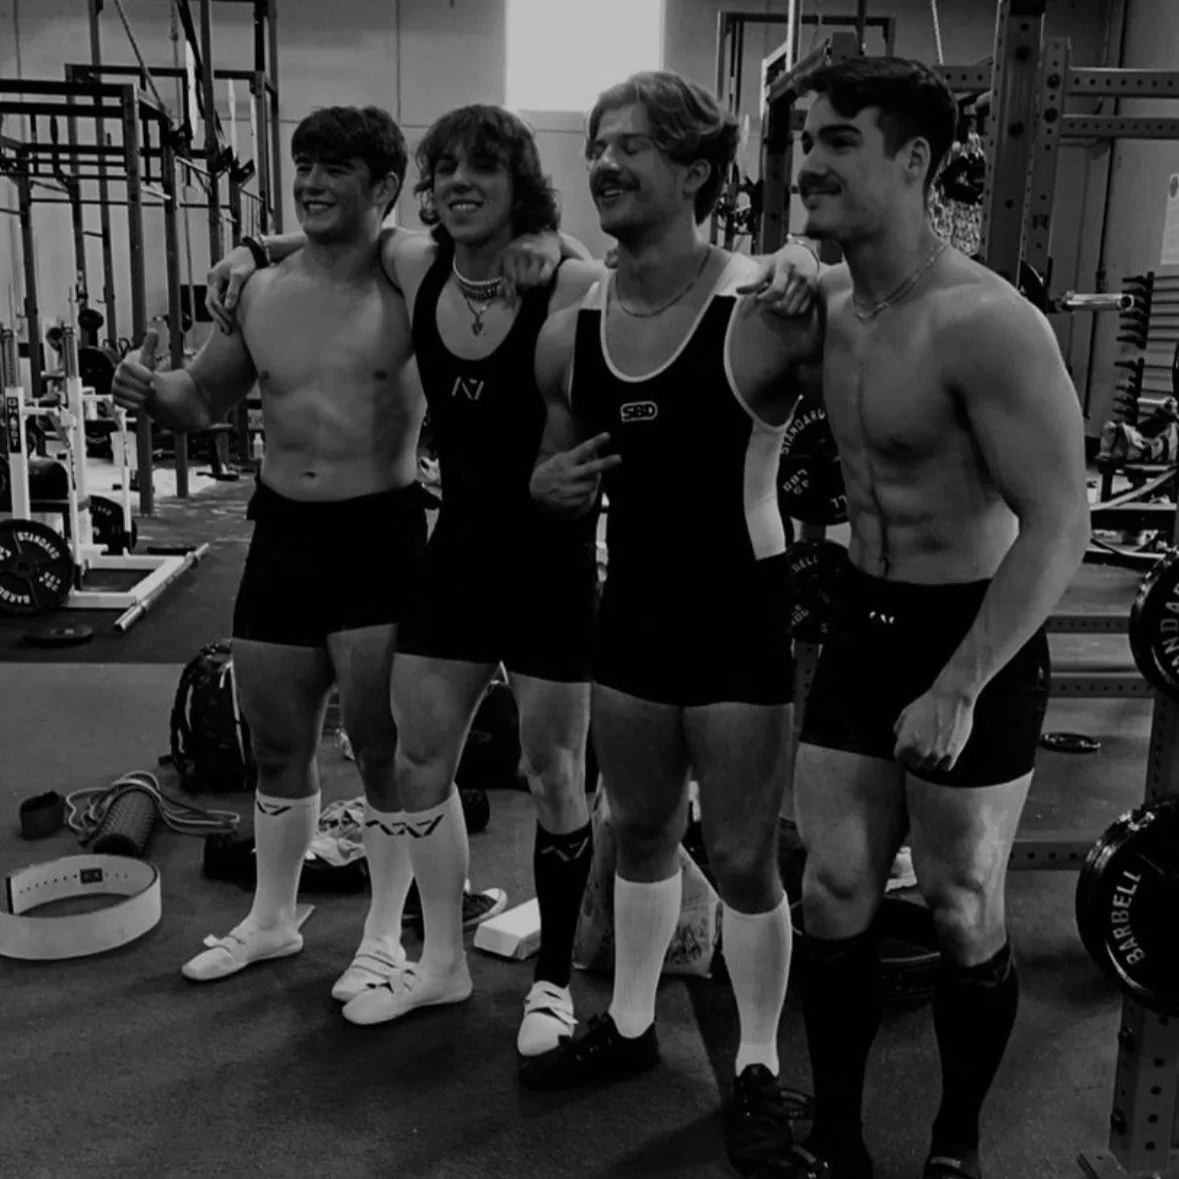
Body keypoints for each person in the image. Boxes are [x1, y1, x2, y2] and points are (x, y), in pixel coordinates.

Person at [206, 104, 817, 1058]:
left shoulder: (566, 277)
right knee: (415, 760)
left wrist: (794, 255)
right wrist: (250, 246)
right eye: (444, 168)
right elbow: (342, 231)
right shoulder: (417, 264)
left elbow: (639, 280)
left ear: (518, 184)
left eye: (481, 169)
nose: (458, 183)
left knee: (554, 774)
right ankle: (440, 961)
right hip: (454, 555)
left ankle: (551, 985)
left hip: (550, 563)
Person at [113, 105, 559, 995]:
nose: (311, 183)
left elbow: (505, 249)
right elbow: (200, 397)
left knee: (381, 747)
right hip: (281, 533)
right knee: (277, 742)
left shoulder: (413, 276)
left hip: (377, 534)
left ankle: (383, 937)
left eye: (334, 169)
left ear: (384, 186)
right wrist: (147, 388)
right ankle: (272, 919)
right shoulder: (259, 293)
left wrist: (543, 238)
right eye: (304, 165)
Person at [773, 58, 1091, 1179]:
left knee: (959, 905)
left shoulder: (987, 323)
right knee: (831, 890)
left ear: (914, 161)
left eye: (839, 140)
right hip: (863, 621)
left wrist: (958, 684)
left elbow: (1061, 522)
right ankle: (840, 1135)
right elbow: (652, 279)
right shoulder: (824, 305)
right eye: (805, 139)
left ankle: (954, 1144)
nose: (808, 162)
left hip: (973, 634)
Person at [523, 70, 822, 1176]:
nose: (604, 162)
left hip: (739, 612)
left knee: (741, 855)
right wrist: (547, 488)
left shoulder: (768, 302)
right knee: (639, 829)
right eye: (598, 145)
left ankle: (757, 1066)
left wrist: (811, 255)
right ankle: (634, 1021)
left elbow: (894, 303)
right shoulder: (573, 325)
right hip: (635, 611)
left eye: (632, 146)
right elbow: (549, 468)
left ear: (696, 170)